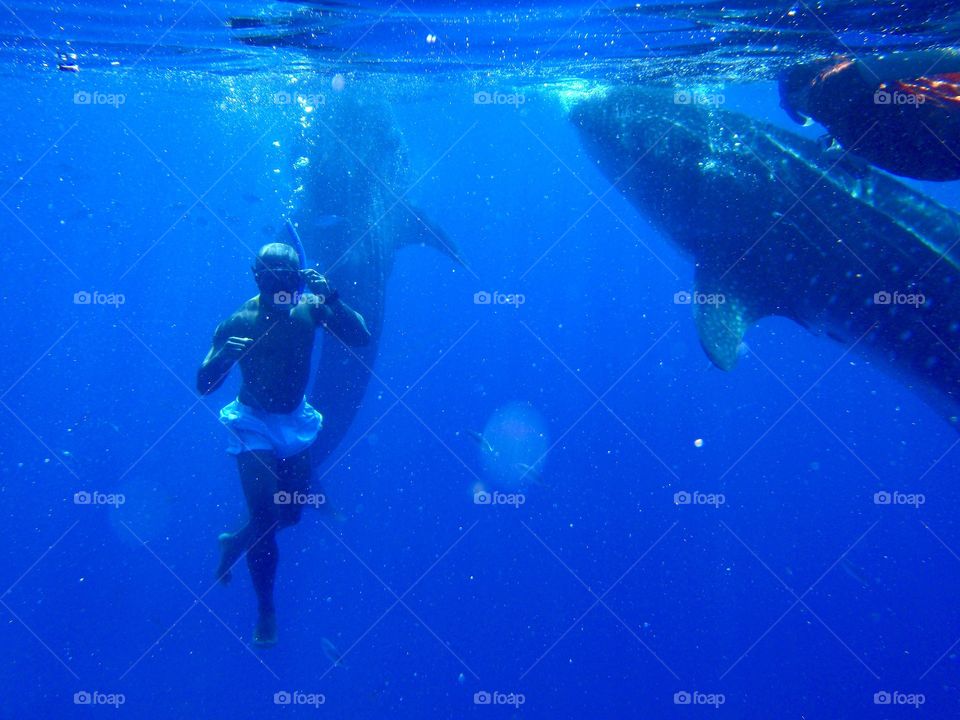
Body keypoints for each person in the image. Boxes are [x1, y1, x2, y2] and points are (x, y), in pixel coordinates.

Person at [197, 242, 370, 647]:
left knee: (289, 516)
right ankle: (266, 610)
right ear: (256, 277)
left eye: (290, 279)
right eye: (273, 278)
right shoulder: (240, 321)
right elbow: (204, 385)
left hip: (294, 421)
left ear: (300, 278)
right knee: (263, 517)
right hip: (252, 423)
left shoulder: (310, 308)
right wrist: (221, 360)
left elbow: (360, 337)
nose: (282, 287)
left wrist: (331, 297)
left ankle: (235, 541)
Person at [779, 50, 960, 180]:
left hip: (944, 160)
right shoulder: (826, 89)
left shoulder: (838, 122)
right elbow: (893, 64)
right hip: (945, 137)